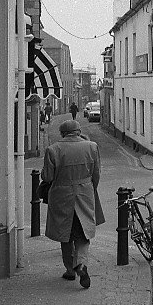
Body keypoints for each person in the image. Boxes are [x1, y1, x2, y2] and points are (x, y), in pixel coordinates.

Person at [41, 119, 103, 288]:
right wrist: (89, 188)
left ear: (62, 133)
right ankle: (81, 264)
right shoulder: (92, 147)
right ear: (78, 131)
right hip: (85, 193)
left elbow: (47, 177)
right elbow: (96, 174)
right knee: (83, 234)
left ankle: (70, 270)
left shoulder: (53, 150)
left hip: (62, 196)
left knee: (65, 234)